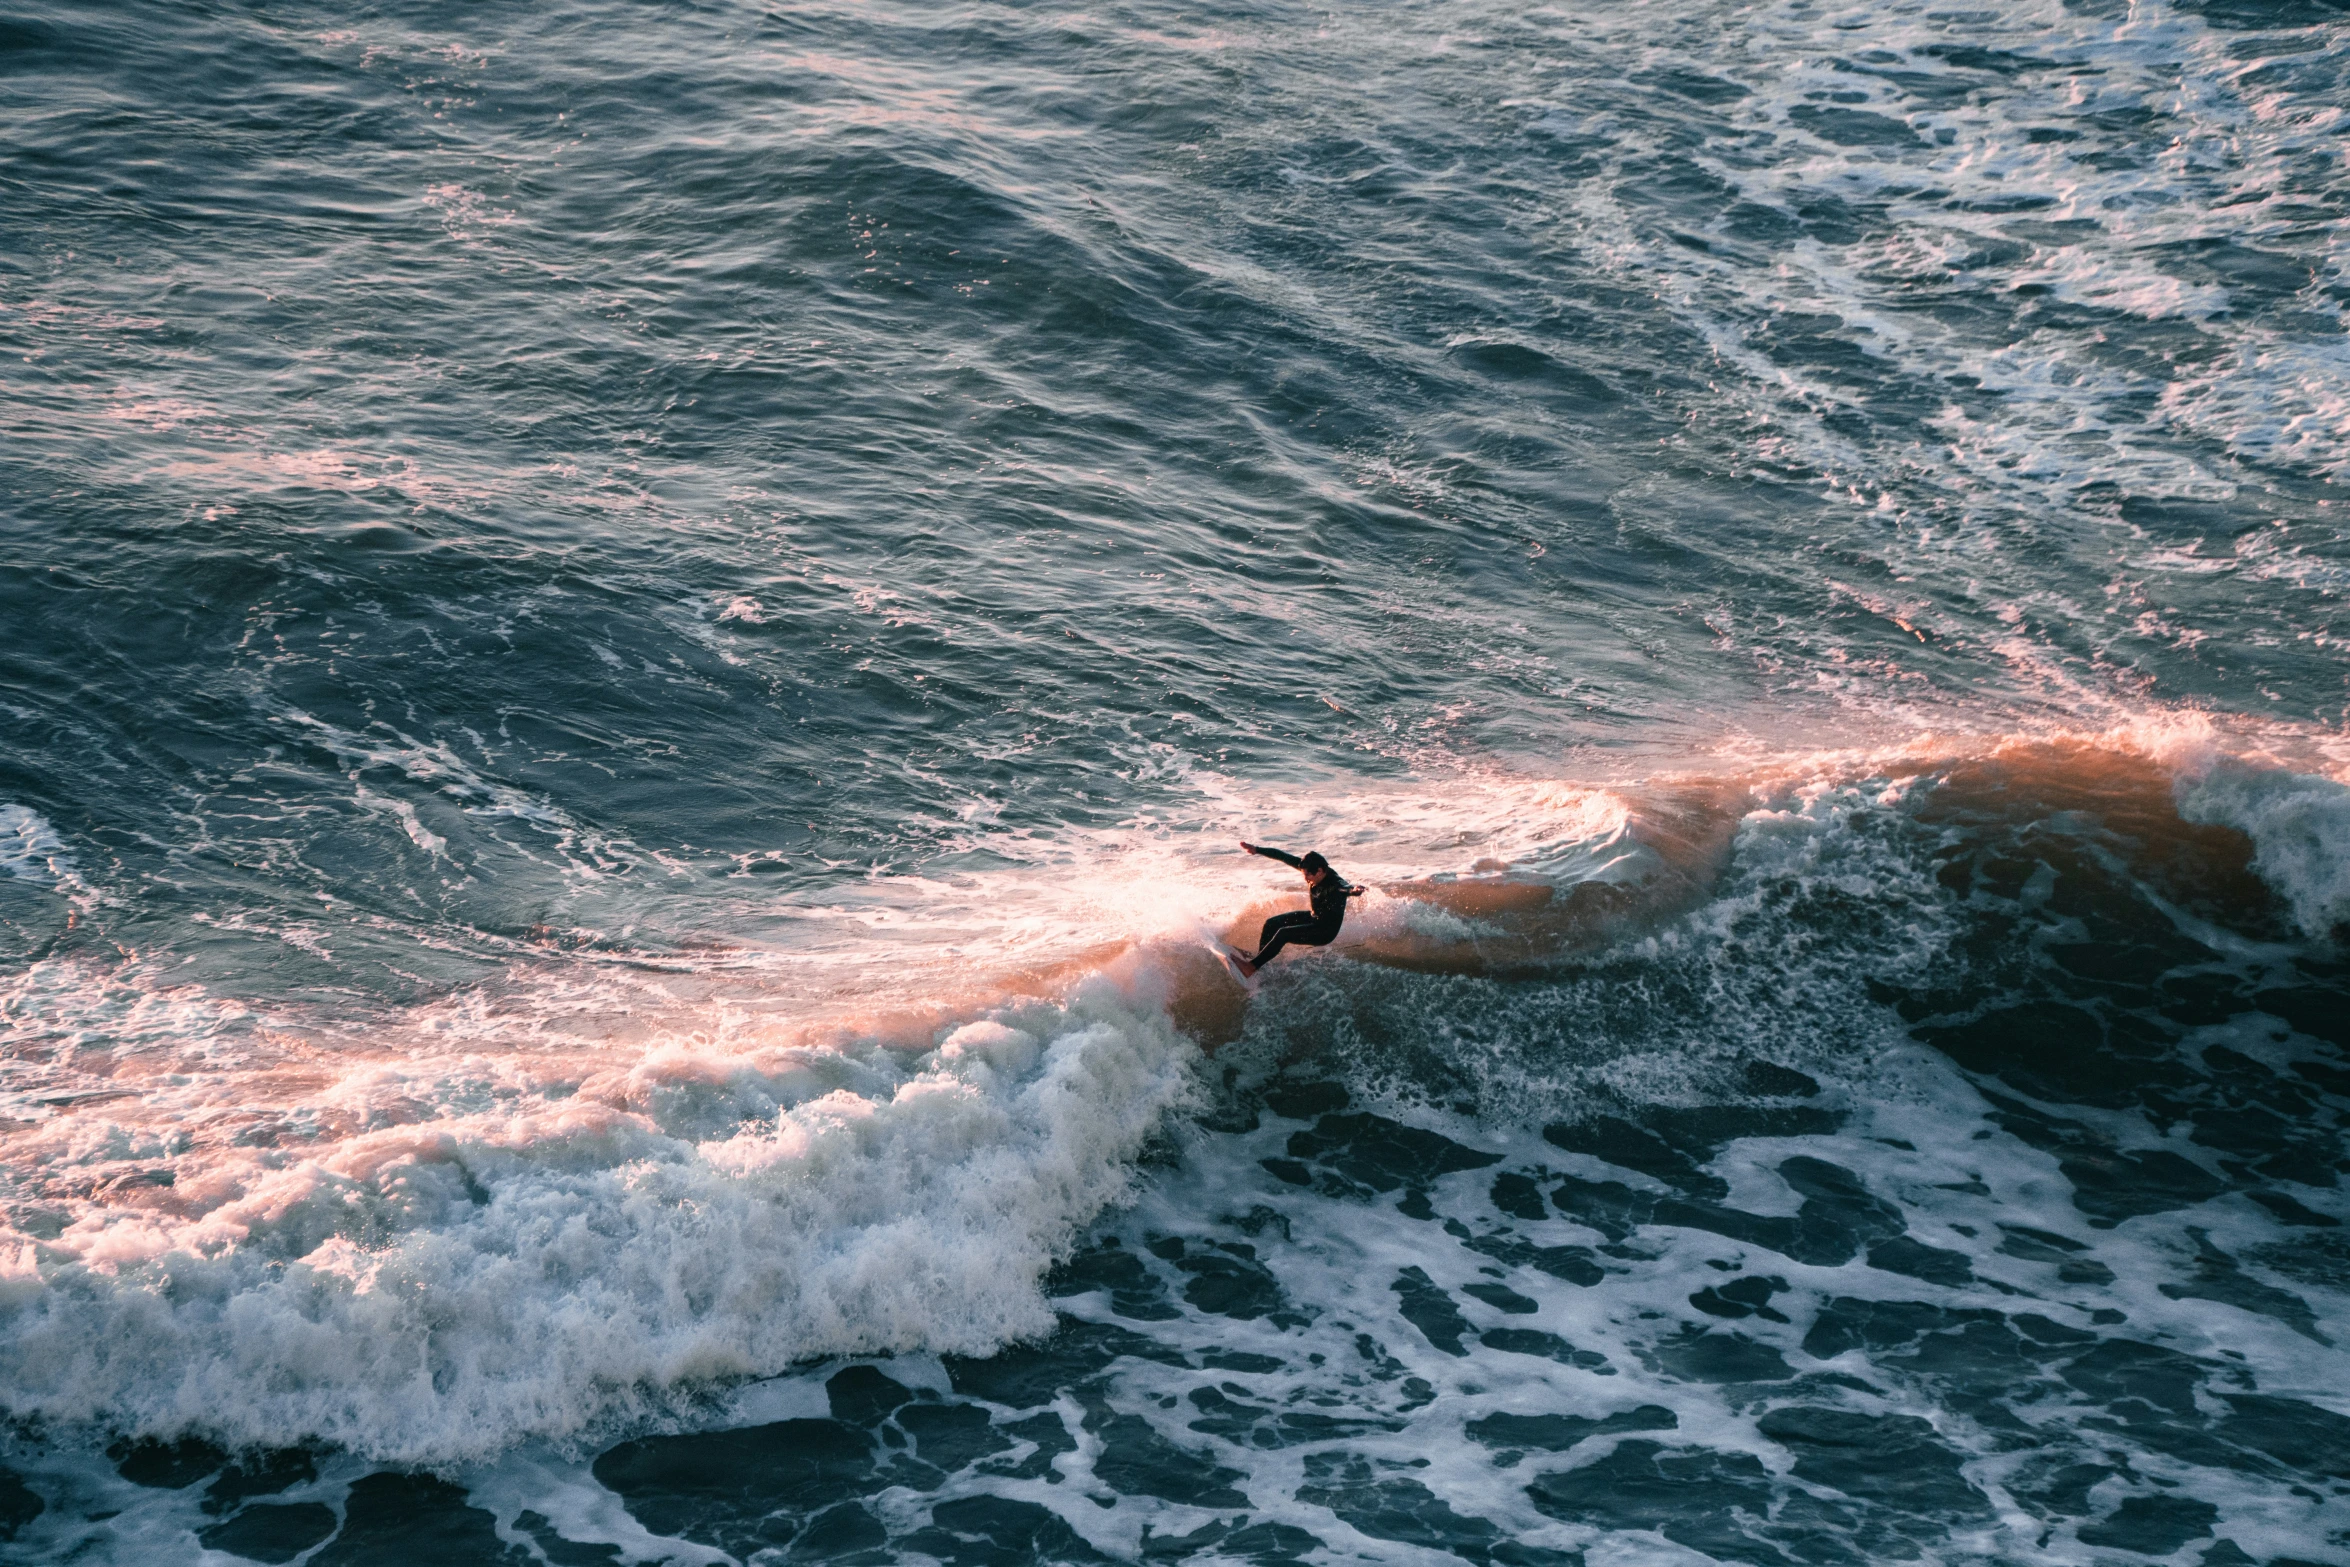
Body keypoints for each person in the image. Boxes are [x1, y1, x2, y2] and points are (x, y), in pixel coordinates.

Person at [1229, 841, 1365, 976]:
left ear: (1320, 871)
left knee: (1283, 934)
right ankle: (1259, 960)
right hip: (1314, 918)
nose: (1305, 878)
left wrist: (1355, 890)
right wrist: (1257, 849)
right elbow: (1282, 856)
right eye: (1303, 874)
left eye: (1308, 875)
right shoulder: (1310, 867)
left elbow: (1347, 888)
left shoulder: (1335, 883)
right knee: (1271, 923)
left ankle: (1251, 967)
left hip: (1325, 931)